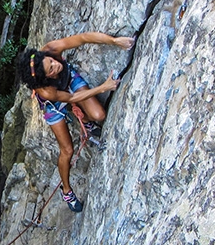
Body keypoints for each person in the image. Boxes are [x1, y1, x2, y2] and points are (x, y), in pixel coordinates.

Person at [16, 32, 134, 212]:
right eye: (51, 70)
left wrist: (114, 41)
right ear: (45, 79)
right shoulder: (46, 91)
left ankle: (84, 121)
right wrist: (103, 87)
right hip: (53, 104)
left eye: (52, 62)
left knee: (99, 115)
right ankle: (66, 190)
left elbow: (83, 38)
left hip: (68, 80)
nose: (56, 65)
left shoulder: (50, 49)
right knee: (67, 150)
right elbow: (72, 97)